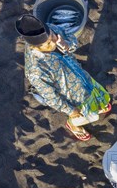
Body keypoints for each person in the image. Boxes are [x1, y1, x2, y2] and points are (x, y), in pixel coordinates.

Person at [15, 14, 111, 142]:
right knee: (89, 116)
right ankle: (73, 125)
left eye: (52, 37)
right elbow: (51, 97)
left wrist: (67, 45)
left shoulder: (51, 29)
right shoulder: (36, 70)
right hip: (74, 96)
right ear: (35, 47)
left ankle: (99, 103)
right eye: (48, 43)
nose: (54, 41)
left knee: (97, 92)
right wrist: (71, 111)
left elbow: (73, 40)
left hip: (81, 75)